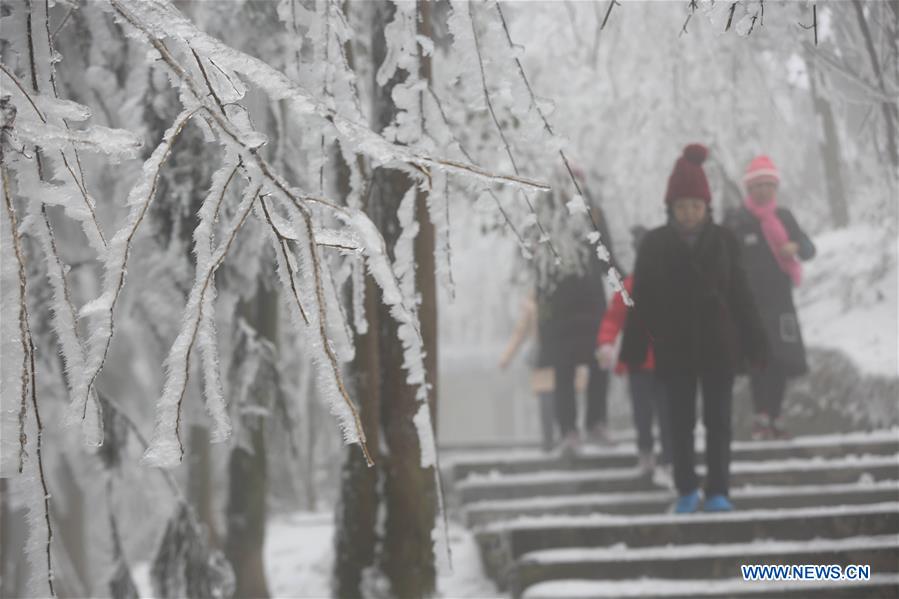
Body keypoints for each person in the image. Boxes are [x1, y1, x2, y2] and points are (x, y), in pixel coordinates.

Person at [620, 144, 767, 513]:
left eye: (696, 206)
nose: (689, 213)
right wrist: (635, 349)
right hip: (675, 347)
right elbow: (643, 299)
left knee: (719, 421)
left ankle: (718, 490)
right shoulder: (654, 244)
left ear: (707, 207)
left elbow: (742, 295)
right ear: (671, 208)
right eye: (682, 206)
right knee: (678, 423)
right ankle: (686, 488)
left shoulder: (724, 240)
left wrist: (756, 343)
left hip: (719, 345)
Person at [724, 155, 816, 440]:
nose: (763, 190)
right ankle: (761, 415)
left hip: (781, 303)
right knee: (758, 360)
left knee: (781, 359)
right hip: (749, 304)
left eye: (768, 185)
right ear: (749, 189)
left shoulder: (784, 217)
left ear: (775, 188)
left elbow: (809, 250)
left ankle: (776, 416)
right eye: (757, 185)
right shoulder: (737, 220)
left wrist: (795, 245)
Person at [596, 225, 672, 479]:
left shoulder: (673, 285)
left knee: (668, 413)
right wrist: (606, 343)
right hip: (638, 361)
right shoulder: (628, 286)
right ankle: (647, 454)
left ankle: (669, 458)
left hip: (666, 362)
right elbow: (613, 319)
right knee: (642, 413)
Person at [499, 291, 557, 452]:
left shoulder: (532, 306)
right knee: (554, 399)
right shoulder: (534, 306)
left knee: (548, 399)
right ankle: (558, 438)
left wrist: (506, 358)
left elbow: (519, 333)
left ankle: (550, 441)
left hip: (545, 357)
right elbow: (520, 333)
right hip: (552, 357)